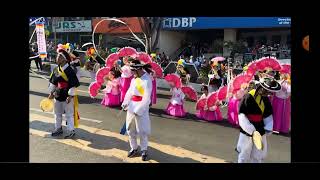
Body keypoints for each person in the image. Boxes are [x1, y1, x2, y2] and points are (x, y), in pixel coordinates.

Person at [235, 77, 281, 163]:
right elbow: (242, 114)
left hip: (260, 128)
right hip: (247, 129)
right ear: (261, 88)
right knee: (244, 152)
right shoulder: (248, 96)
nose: (268, 93)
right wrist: (249, 128)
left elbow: (268, 115)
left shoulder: (265, 99)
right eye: (266, 91)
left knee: (258, 154)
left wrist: (268, 127)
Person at [121, 59, 153, 161]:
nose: (131, 73)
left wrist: (139, 109)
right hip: (131, 106)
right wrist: (125, 102)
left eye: (133, 71)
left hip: (141, 108)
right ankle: (133, 148)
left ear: (138, 69)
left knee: (142, 130)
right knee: (130, 129)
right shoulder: (134, 78)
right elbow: (130, 92)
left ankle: (144, 150)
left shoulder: (147, 80)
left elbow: (146, 98)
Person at [48, 48, 80, 138]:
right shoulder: (56, 69)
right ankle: (58, 128)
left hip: (67, 95)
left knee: (69, 114)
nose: (57, 58)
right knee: (57, 113)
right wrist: (51, 92)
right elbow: (53, 82)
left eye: (59, 56)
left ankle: (71, 130)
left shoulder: (70, 70)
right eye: (57, 56)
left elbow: (73, 84)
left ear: (65, 59)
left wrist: (70, 95)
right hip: (57, 94)